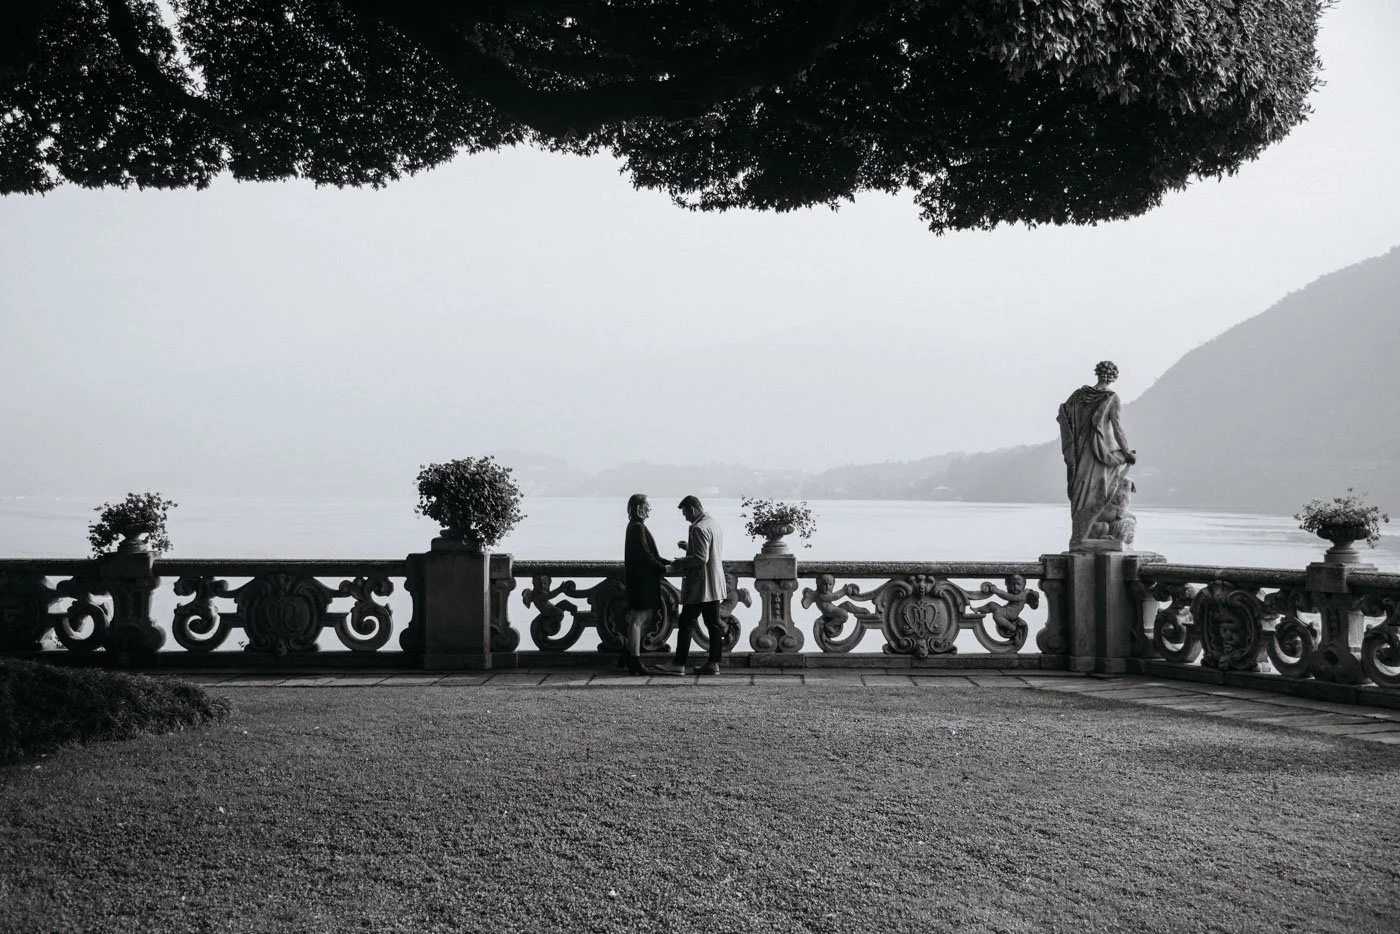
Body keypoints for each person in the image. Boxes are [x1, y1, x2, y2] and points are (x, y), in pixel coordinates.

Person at [1057, 360, 1137, 551]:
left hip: (1080, 454)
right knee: (1098, 494)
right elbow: (1117, 429)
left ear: (1098, 374)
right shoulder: (1111, 397)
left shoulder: (1077, 396)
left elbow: (1063, 417)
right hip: (1102, 453)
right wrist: (1126, 453)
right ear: (1113, 377)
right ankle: (1080, 539)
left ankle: (1079, 537)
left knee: (1082, 494)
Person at [661, 494, 726, 675]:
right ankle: (713, 664)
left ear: (692, 509)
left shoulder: (698, 528)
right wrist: (688, 547)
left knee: (686, 622)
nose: (685, 518)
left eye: (685, 514)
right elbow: (708, 550)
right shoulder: (713, 523)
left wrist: (679, 562)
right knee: (713, 624)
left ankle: (679, 664)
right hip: (715, 583)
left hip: (700, 586)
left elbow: (700, 558)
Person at [621, 493, 669, 676]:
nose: (650, 509)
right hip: (641, 581)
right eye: (648, 505)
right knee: (638, 620)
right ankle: (634, 661)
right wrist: (664, 568)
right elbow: (645, 555)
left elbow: (649, 554)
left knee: (640, 618)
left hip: (640, 579)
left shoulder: (635, 526)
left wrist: (666, 563)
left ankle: (628, 654)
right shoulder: (637, 527)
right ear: (639, 507)